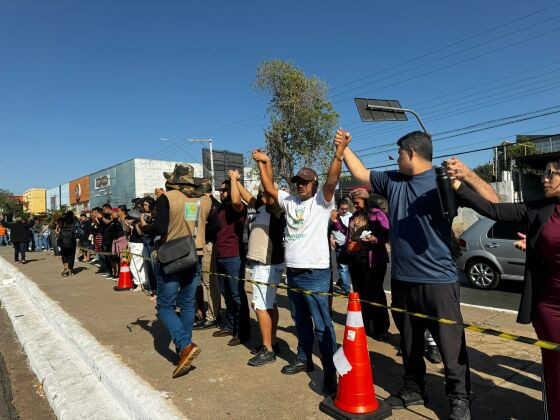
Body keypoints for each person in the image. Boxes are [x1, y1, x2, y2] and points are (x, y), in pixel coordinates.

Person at [338, 130, 500, 419]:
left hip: (439, 281)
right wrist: (344, 147)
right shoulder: (393, 181)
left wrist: (470, 175)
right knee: (410, 342)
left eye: (399, 153)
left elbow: (494, 204)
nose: (397, 158)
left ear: (411, 153)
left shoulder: (444, 180)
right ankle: (413, 387)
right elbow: (361, 174)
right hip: (402, 281)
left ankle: (459, 399)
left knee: (451, 346)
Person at [452, 159, 560, 419]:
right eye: (543, 172)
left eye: (550, 173)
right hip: (552, 308)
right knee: (557, 377)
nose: (543, 179)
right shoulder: (540, 209)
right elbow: (495, 210)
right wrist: (459, 184)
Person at [254, 129, 350, 396]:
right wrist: (262, 164)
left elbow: (332, 180)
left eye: (305, 182)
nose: (300, 185)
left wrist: (338, 153)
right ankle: (304, 358)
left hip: (317, 274)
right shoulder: (290, 201)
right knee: (300, 321)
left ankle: (331, 374)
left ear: (314, 185)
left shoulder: (322, 202)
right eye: (298, 181)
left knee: (323, 325)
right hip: (293, 274)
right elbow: (270, 188)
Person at [140, 163, 209, 378]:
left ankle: (185, 345)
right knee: (188, 303)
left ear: (174, 180)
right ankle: (183, 351)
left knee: (165, 306)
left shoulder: (168, 198)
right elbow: (214, 226)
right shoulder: (205, 199)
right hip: (195, 256)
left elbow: (160, 229)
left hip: (172, 257)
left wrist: (144, 227)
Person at [237, 174, 285, 367]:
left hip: (267, 263)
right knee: (270, 304)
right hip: (261, 264)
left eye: (263, 192)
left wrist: (264, 166)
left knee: (259, 306)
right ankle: (272, 341)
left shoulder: (276, 210)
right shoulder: (259, 207)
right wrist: (235, 180)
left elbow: (270, 192)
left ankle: (268, 350)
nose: (259, 195)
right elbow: (246, 195)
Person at [336, 187, 390, 341]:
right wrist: (337, 223)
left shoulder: (377, 214)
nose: (355, 205)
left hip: (373, 262)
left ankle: (381, 328)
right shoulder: (354, 216)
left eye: (357, 202)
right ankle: (365, 324)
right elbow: (350, 234)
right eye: (353, 202)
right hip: (356, 261)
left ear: (365, 200)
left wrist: (375, 239)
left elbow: (387, 231)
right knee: (361, 294)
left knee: (376, 294)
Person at [212, 173, 251, 346]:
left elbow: (236, 201)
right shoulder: (220, 209)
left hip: (234, 257)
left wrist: (234, 180)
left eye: (225, 190)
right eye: (220, 190)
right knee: (226, 293)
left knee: (237, 295)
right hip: (220, 256)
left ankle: (243, 332)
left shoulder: (238, 207)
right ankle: (229, 326)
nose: (221, 193)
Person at [330, 199, 352, 295]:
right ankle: (347, 290)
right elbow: (327, 230)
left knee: (349, 267)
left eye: (346, 209)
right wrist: (331, 240)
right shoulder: (334, 217)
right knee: (343, 268)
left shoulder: (350, 216)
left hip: (350, 246)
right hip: (339, 245)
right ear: (338, 208)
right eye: (342, 209)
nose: (344, 211)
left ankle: (341, 281)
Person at [58, 211, 77, 276]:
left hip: (63, 240)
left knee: (64, 254)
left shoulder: (62, 221)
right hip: (72, 241)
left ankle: (65, 266)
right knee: (71, 255)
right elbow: (79, 231)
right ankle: (70, 270)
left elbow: (59, 230)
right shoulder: (74, 221)